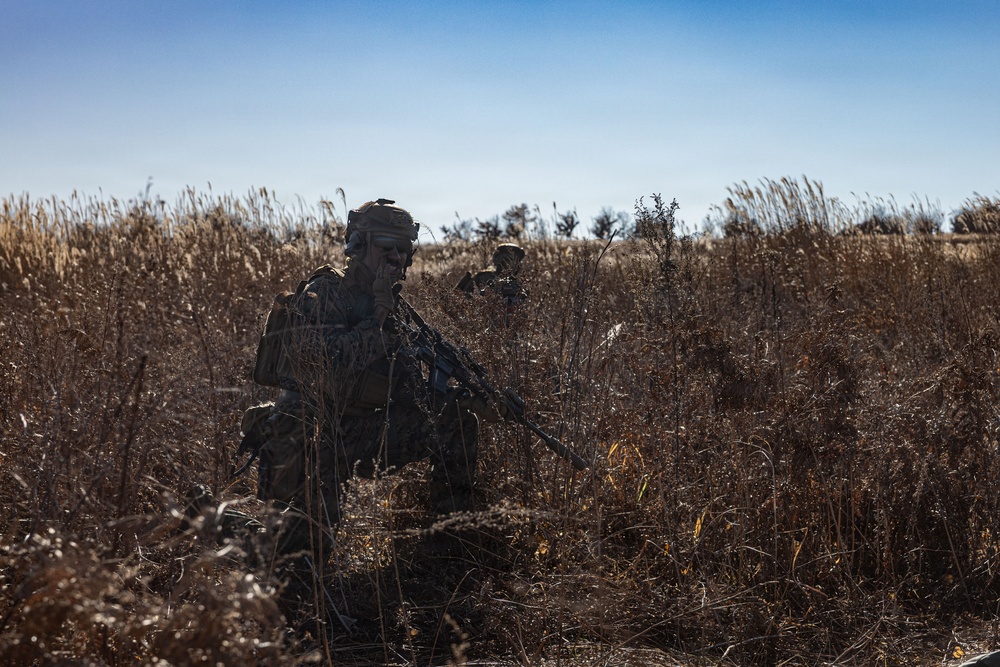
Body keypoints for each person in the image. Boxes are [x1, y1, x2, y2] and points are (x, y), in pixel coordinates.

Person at [238, 198, 480, 587]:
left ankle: (446, 549)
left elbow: (404, 388)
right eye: (387, 248)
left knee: (455, 422)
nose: (397, 258)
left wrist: (459, 400)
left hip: (362, 430)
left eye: (403, 249)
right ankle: (224, 525)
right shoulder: (324, 293)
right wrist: (377, 321)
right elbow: (327, 366)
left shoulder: (394, 304)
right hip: (314, 434)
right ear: (360, 245)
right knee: (298, 563)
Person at [456, 243, 528, 325]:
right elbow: (464, 300)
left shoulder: (518, 282)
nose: (511, 265)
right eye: (508, 260)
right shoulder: (484, 278)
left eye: (515, 261)